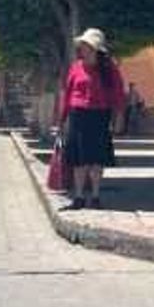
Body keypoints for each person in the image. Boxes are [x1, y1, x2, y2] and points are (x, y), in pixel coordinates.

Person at [58, 28, 126, 210]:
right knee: (79, 159)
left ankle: (95, 196)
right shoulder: (76, 67)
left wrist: (119, 116)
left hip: (99, 116)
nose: (82, 48)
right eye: (82, 45)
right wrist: (62, 119)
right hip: (78, 116)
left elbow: (118, 93)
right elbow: (68, 94)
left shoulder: (109, 69)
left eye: (86, 45)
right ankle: (79, 196)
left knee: (96, 159)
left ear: (95, 48)